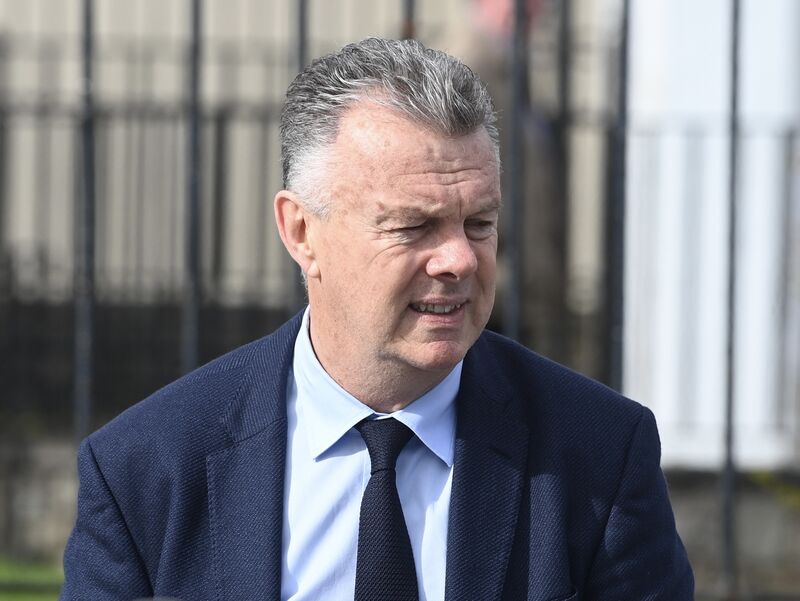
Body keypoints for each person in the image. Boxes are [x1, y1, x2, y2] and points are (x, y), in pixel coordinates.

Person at [60, 37, 693, 600]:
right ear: (301, 231)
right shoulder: (148, 467)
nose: (458, 260)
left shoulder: (597, 455)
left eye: (480, 224)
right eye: (413, 226)